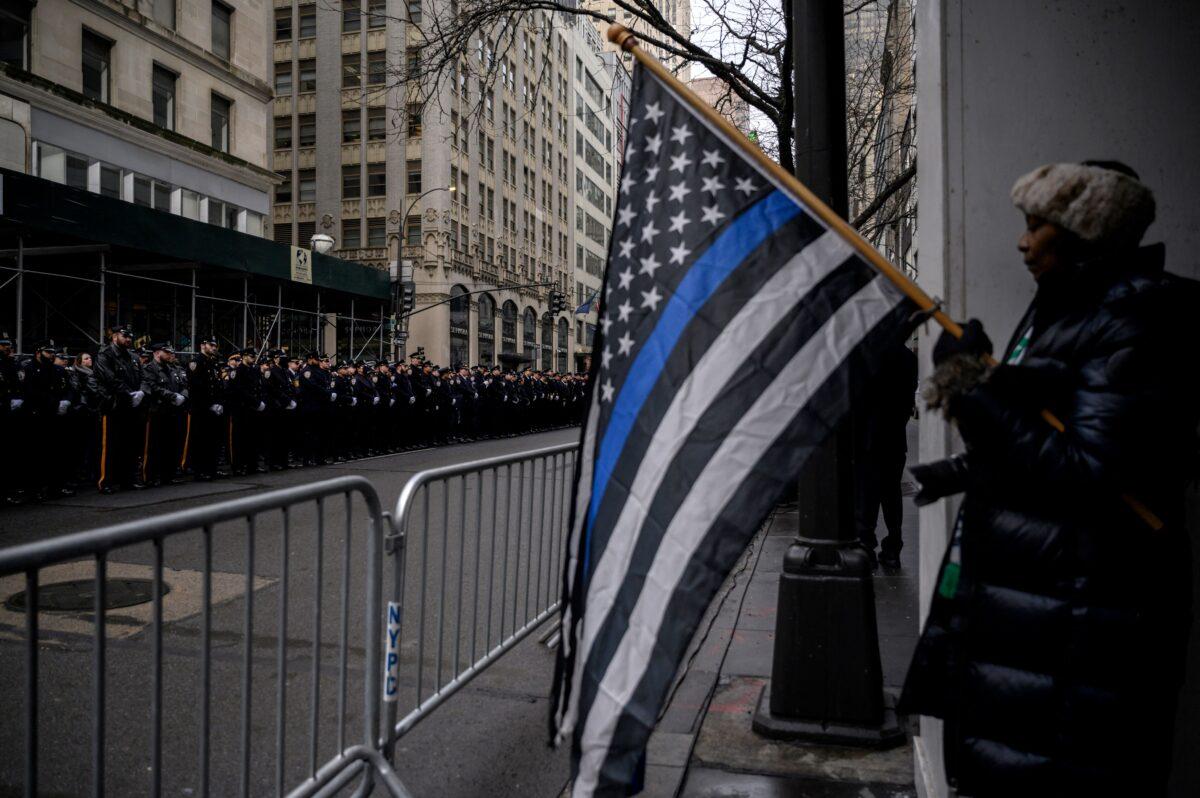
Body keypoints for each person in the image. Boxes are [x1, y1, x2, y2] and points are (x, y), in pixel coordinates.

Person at [899, 161, 1196, 796]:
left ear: (1085, 233)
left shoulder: (1135, 323)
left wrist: (973, 390)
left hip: (1080, 641)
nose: (1023, 241)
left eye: (1039, 226)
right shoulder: (1071, 310)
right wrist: (959, 465)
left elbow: (1088, 474)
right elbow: (1050, 435)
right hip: (1043, 628)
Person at [853, 341, 918, 568]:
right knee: (892, 492)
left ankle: (866, 546)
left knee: (867, 494)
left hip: (869, 438)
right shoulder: (908, 357)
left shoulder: (867, 354)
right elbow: (908, 399)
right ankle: (893, 546)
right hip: (895, 437)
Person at [93, 325, 146, 493]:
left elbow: (143, 377)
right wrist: (129, 393)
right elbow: (109, 379)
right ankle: (105, 481)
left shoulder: (133, 356)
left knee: (129, 445)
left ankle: (127, 480)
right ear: (114, 336)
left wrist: (141, 392)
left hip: (131, 406)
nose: (128, 339)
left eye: (130, 336)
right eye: (125, 336)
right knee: (110, 446)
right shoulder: (105, 355)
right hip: (113, 405)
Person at [141, 343, 188, 486]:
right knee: (154, 446)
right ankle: (150, 477)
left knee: (171, 445)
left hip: (173, 412)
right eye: (166, 352)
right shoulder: (150, 368)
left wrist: (183, 396)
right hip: (157, 411)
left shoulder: (172, 369)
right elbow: (153, 387)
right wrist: (173, 396)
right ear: (156, 353)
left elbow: (185, 385)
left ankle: (168, 475)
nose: (170, 355)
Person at [185, 336, 226, 481]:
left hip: (214, 408)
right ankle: (200, 470)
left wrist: (219, 402)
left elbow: (218, 385)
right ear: (203, 345)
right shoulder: (196, 362)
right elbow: (196, 387)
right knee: (201, 440)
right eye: (211, 345)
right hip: (201, 408)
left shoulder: (213, 362)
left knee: (213, 440)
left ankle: (212, 468)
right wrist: (210, 404)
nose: (214, 348)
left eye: (215, 345)